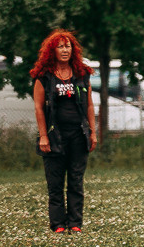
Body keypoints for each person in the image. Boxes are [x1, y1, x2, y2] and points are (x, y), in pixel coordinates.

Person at [31, 30, 97, 233]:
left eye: (67, 46)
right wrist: (43, 136)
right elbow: (39, 108)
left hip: (78, 135)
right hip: (54, 137)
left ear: (73, 50)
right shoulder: (44, 77)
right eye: (60, 46)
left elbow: (89, 106)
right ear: (52, 51)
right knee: (55, 183)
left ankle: (75, 223)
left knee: (76, 181)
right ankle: (58, 224)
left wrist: (93, 132)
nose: (64, 50)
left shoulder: (82, 74)